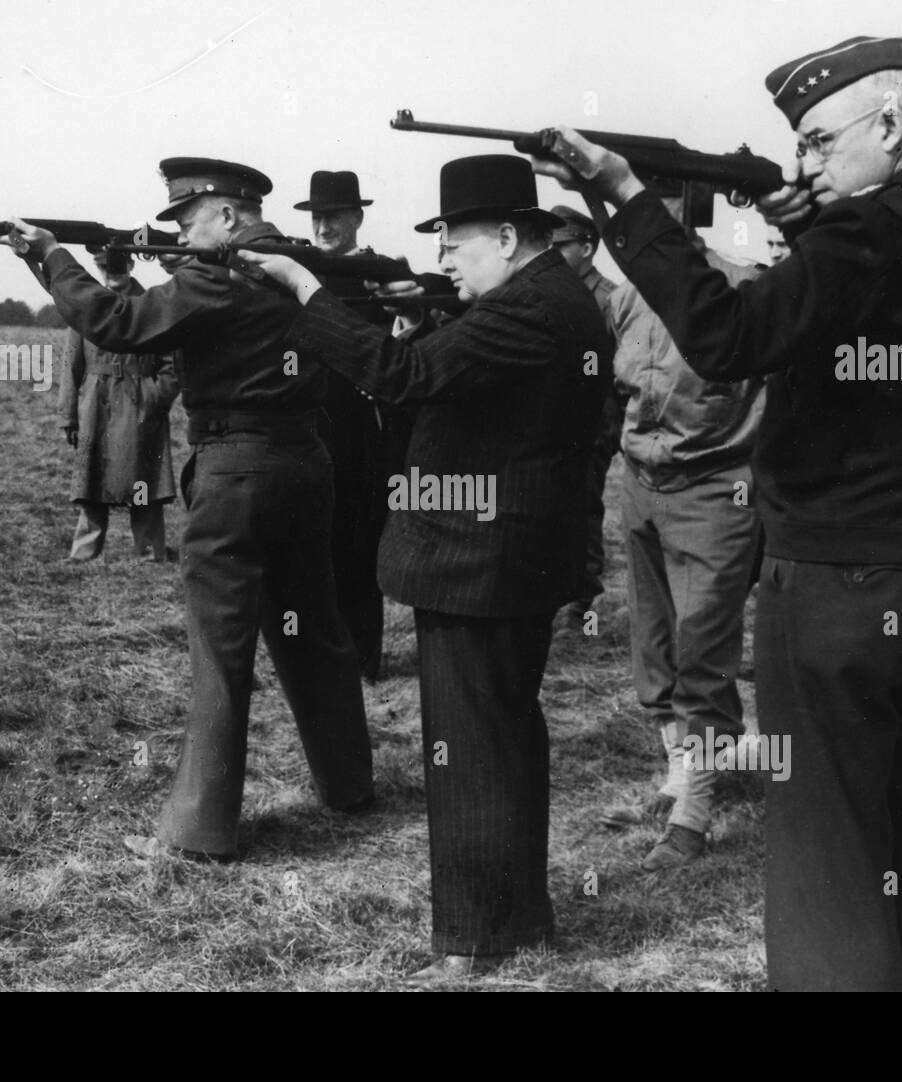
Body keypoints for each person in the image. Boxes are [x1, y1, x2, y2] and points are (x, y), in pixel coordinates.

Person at [535, 34, 902, 992]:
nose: (805, 163)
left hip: (837, 583)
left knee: (827, 854)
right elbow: (898, 308)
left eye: (815, 142)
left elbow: (728, 339)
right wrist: (809, 221)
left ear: (888, 126)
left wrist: (629, 198)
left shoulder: (863, 235)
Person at [239, 155, 607, 983]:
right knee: (506, 735)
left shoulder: (527, 309)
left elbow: (405, 380)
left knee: (469, 748)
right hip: (508, 558)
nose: (442, 260)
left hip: (478, 563)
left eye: (455, 242)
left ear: (509, 238)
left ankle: (473, 942)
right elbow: (459, 378)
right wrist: (417, 320)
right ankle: (520, 916)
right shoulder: (548, 298)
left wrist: (307, 291)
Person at [0, 157, 373, 860]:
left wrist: (48, 255)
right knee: (315, 632)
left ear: (228, 216)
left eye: (187, 219)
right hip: (304, 464)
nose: (181, 232)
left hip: (235, 473)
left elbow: (116, 320)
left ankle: (202, 830)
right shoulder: (297, 265)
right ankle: (349, 784)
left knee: (220, 650)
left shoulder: (217, 276)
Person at [597, 218, 764, 871]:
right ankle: (678, 775)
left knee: (703, 651)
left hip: (717, 490)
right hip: (641, 484)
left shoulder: (743, 285)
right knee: (656, 644)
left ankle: (694, 811)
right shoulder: (631, 294)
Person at [296, 170, 413, 680]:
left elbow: (406, 335)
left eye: (335, 218)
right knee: (310, 543)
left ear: (357, 219)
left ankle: (365, 656)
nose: (324, 226)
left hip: (362, 424)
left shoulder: (382, 271)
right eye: (318, 217)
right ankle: (320, 657)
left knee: (359, 543)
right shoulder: (298, 266)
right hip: (308, 416)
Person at [57, 250, 179, 563]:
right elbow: (72, 364)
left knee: (144, 478)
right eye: (102, 266)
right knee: (91, 478)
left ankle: (150, 550)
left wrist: (154, 396)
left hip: (140, 401)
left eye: (117, 265)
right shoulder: (86, 306)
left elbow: (172, 364)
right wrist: (69, 416)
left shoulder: (151, 304)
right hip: (97, 403)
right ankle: (85, 550)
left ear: (131, 265)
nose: (111, 272)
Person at [548, 204, 619, 632]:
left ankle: (584, 607)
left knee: (584, 507)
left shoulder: (610, 298)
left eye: (562, 247)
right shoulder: (550, 292)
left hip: (593, 420)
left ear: (587, 247)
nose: (553, 256)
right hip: (554, 418)